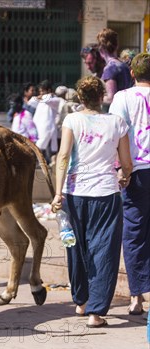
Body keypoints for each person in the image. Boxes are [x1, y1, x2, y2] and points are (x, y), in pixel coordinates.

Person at [51, 76, 133, 328]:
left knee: (75, 248)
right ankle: (95, 313)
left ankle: (81, 302)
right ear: (102, 97)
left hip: (75, 195)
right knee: (104, 251)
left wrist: (57, 192)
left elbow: (63, 156)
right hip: (107, 195)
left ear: (80, 98)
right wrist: (125, 176)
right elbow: (127, 163)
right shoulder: (117, 123)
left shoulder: (72, 120)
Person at [108, 52, 150, 316]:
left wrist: (122, 169)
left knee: (134, 233)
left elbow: (116, 134)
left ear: (132, 73)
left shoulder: (122, 97)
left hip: (135, 171)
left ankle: (136, 296)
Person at [96, 28, 134, 106]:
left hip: (117, 113)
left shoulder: (110, 69)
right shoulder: (124, 66)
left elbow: (111, 98)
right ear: (117, 46)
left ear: (101, 50)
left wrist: (92, 100)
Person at [30, 80, 60, 164]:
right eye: (40, 91)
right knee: (39, 148)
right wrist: (40, 97)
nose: (41, 93)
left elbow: (48, 99)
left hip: (48, 129)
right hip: (38, 129)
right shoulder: (41, 101)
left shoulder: (54, 100)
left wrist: (43, 97)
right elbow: (31, 101)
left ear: (49, 90)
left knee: (48, 150)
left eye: (43, 91)